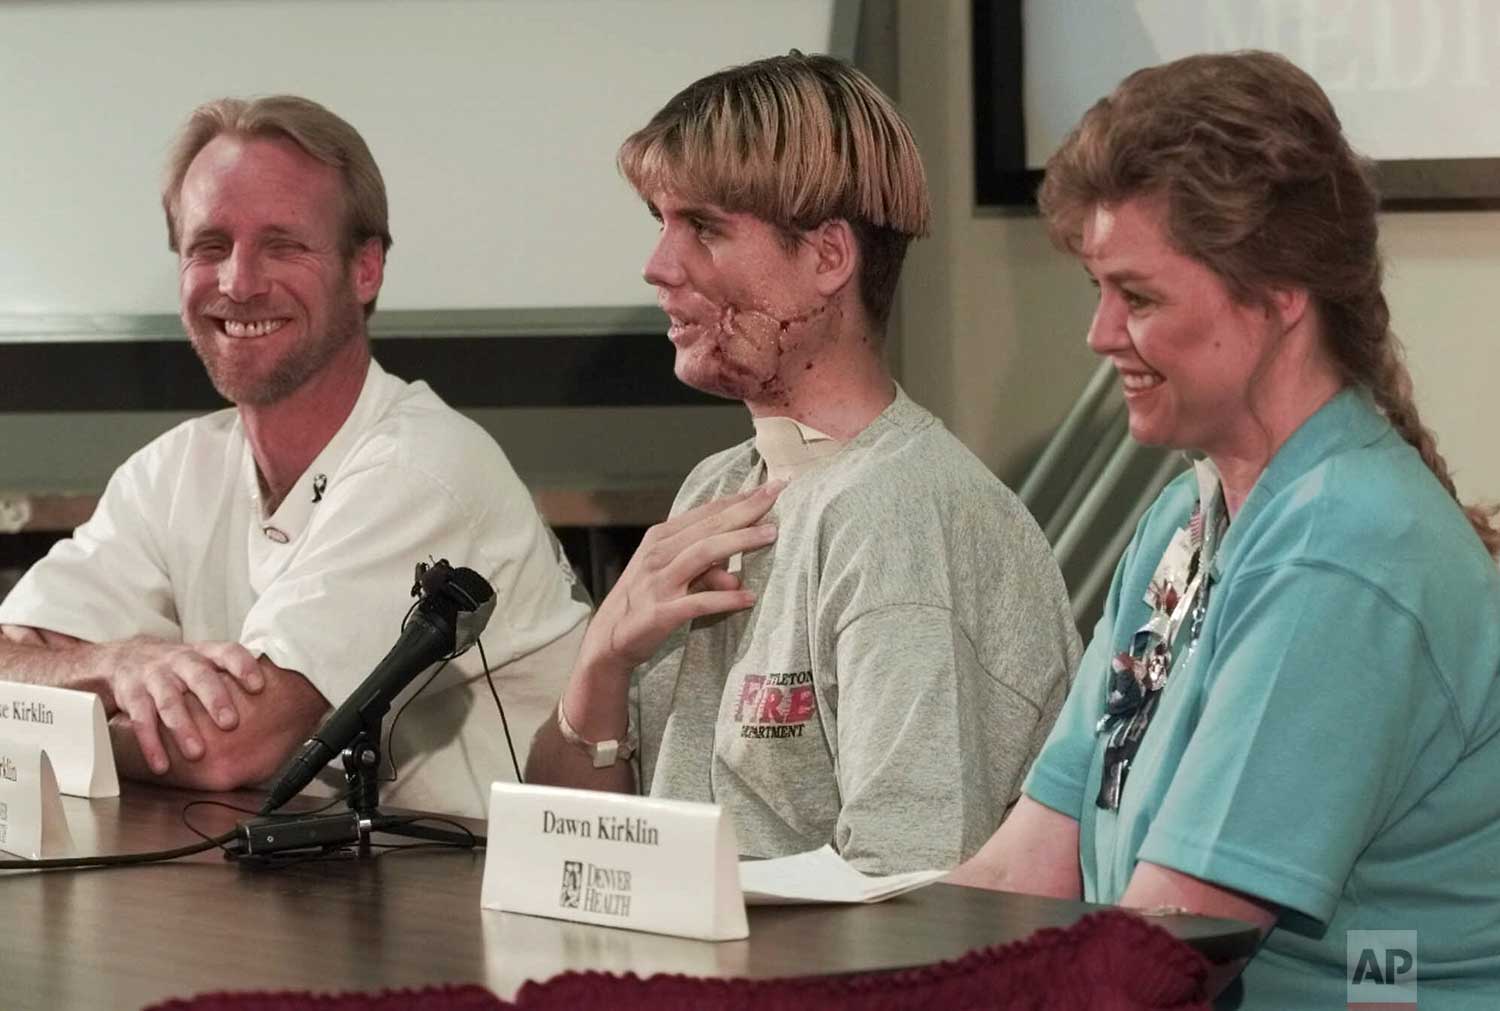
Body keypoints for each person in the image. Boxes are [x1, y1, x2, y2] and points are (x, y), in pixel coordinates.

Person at [946, 51, 1500, 1007]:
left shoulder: (1345, 549)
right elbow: (1023, 869)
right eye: (1099, 290)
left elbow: (1161, 951)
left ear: (1281, 292)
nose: (1100, 333)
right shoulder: (1187, 516)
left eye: (1142, 296)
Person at [524, 53, 1080, 875]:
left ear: (828, 258)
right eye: (660, 222)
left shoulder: (899, 512)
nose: (658, 266)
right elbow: (569, 858)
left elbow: (906, 897)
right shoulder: (718, 487)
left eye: (704, 228)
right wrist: (602, 662)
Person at [0, 96, 590, 819]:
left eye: (283, 245)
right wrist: (112, 663)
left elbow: (227, 748)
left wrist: (60, 721)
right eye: (209, 245)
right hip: (308, 889)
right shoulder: (174, 468)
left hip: (468, 908)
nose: (240, 282)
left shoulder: (424, 467)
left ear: (365, 269)